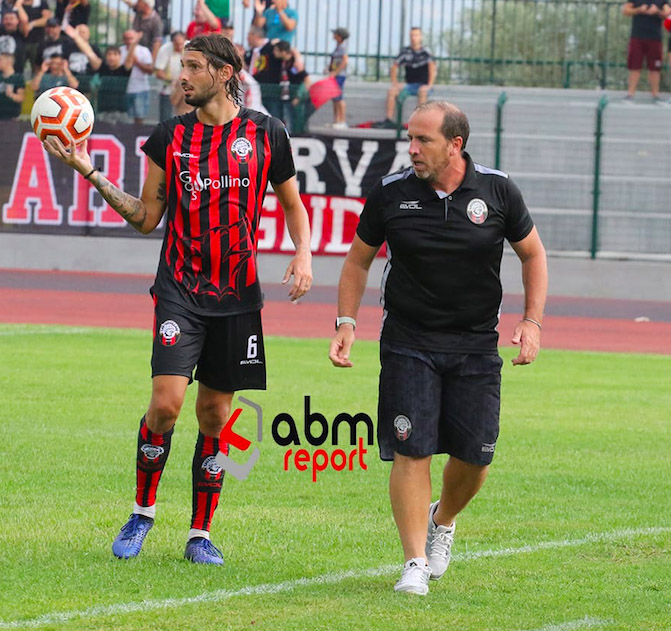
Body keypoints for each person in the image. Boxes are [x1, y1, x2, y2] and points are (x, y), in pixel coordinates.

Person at [42, 33, 312, 566]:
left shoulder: (266, 133)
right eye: (180, 66)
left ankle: (199, 534)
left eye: (192, 67)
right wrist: (91, 172)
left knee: (214, 415)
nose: (180, 76)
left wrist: (303, 253)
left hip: (238, 297)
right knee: (166, 404)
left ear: (225, 73)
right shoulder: (171, 136)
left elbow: (292, 205)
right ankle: (142, 513)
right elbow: (147, 218)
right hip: (180, 291)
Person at [329, 101, 547, 595]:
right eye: (410, 138)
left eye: (423, 140)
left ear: (455, 145)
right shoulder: (391, 193)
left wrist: (531, 321)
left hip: (475, 345)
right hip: (408, 341)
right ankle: (413, 562)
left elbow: (532, 253)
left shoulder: (497, 189)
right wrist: (346, 322)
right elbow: (357, 262)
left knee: (476, 458)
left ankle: (442, 520)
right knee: (412, 450)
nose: (412, 149)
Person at [380, 27, 436, 129]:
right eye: (411, 35)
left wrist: (430, 85)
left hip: (423, 84)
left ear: (420, 37)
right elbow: (394, 66)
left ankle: (421, 122)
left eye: (416, 35)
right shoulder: (405, 52)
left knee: (422, 91)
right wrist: (395, 82)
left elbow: (432, 68)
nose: (413, 38)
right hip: (409, 84)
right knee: (392, 91)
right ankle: (388, 120)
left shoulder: (426, 52)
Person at [622, 0, 670, 100]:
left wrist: (657, 11)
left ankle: (655, 94)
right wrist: (639, 10)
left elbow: (668, 13)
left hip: (655, 37)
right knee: (634, 66)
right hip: (637, 36)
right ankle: (630, 93)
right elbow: (625, 10)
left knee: (655, 68)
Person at [119, 29, 152, 124]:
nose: (129, 41)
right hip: (124, 89)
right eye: (127, 39)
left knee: (139, 116)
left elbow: (150, 70)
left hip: (140, 89)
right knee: (124, 117)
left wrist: (137, 62)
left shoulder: (143, 51)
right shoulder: (120, 50)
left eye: (131, 38)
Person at [154, 30, 186, 121]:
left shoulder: (190, 47)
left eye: (181, 44)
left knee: (184, 116)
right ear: (172, 42)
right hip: (167, 89)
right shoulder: (164, 50)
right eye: (177, 44)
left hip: (184, 90)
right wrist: (172, 81)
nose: (179, 47)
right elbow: (158, 72)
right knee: (165, 118)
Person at [328, 27, 348, 129]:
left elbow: (344, 60)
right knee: (335, 98)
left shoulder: (342, 47)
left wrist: (336, 72)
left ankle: (342, 120)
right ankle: (336, 120)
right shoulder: (338, 47)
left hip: (339, 76)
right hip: (335, 75)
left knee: (339, 98)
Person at [0, 50, 24, 118]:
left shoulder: (18, 78)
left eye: (1, 60)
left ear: (8, 62)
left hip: (12, 116)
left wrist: (11, 95)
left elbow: (21, 97)